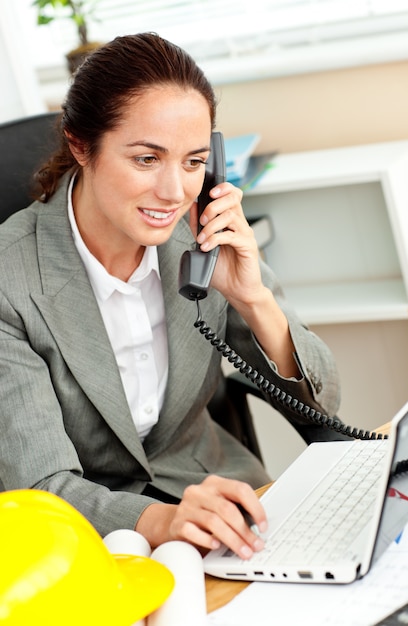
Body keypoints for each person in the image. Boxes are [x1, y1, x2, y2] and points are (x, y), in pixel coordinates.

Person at [0, 32, 342, 561]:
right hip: (88, 544)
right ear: (80, 145)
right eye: (146, 159)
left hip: (227, 504)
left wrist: (254, 299)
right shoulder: (10, 279)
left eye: (192, 162)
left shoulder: (200, 235)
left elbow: (326, 412)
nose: (174, 192)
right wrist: (164, 520)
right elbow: (39, 486)